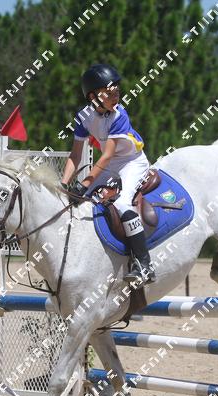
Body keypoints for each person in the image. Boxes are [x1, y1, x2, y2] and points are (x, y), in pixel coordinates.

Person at [60, 64, 155, 285]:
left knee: (121, 204)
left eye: (117, 91)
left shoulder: (120, 114)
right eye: (109, 92)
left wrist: (84, 183)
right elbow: (75, 155)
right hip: (110, 165)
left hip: (132, 163)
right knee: (82, 202)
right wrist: (64, 184)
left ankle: (144, 264)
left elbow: (106, 155)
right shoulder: (83, 116)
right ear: (92, 97)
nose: (116, 96)